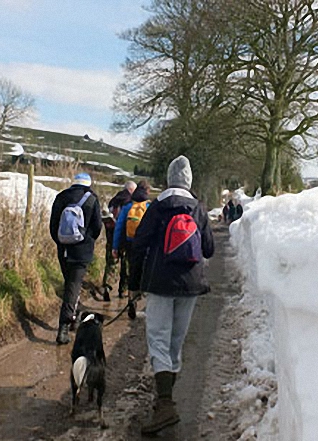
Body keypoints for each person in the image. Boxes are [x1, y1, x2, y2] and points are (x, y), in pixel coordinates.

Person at [128, 156, 214, 435]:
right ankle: (165, 402)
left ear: (168, 179)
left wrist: (134, 281)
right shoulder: (198, 208)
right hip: (191, 284)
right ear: (189, 182)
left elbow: (139, 244)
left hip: (160, 283)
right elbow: (210, 249)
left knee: (158, 340)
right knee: (175, 342)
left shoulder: (159, 206)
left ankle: (164, 404)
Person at [49, 172, 102, 345]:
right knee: (73, 285)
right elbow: (97, 227)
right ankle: (63, 328)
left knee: (71, 284)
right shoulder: (92, 199)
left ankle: (76, 315)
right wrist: (87, 241)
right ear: (88, 184)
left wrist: (61, 242)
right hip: (82, 251)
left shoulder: (61, 197)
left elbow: (53, 226)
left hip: (63, 249)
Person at [111, 180, 151, 316]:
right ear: (147, 191)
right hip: (146, 245)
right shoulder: (149, 206)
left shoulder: (128, 206)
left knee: (132, 271)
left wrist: (115, 246)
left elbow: (119, 227)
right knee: (147, 271)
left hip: (130, 244)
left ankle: (131, 300)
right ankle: (146, 298)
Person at [104, 181, 136, 300]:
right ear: (131, 190)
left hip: (111, 237)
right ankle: (123, 290)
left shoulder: (113, 200)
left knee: (111, 264)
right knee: (125, 266)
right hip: (125, 239)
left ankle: (107, 286)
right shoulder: (129, 203)